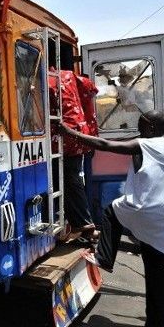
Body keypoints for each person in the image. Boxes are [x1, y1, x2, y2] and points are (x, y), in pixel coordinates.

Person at [56, 110, 164, 327]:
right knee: (157, 271)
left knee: (111, 210)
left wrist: (69, 132)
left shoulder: (146, 144)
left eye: (142, 125)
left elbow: (104, 143)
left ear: (153, 129)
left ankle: (104, 257)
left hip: (146, 211)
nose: (139, 128)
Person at [50, 71, 100, 243]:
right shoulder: (75, 78)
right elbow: (91, 98)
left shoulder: (50, 76)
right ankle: (80, 225)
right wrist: (93, 137)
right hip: (80, 134)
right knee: (74, 181)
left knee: (64, 182)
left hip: (63, 135)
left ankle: (83, 226)